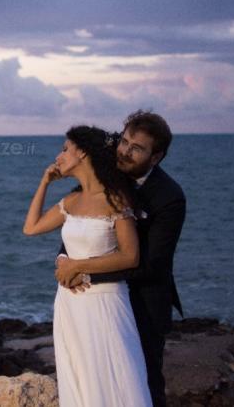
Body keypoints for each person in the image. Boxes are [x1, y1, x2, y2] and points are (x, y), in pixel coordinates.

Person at [57, 110, 185, 407]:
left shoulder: (169, 197)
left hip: (144, 301)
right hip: (95, 302)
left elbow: (152, 263)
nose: (125, 152)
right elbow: (79, 218)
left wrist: (84, 272)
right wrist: (64, 257)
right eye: (124, 141)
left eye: (136, 148)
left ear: (156, 157)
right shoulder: (105, 172)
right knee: (91, 375)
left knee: (142, 383)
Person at [23, 125, 152, 407]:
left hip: (104, 304)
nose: (59, 156)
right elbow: (31, 228)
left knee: (114, 377)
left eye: (65, 148)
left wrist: (77, 265)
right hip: (70, 305)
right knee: (79, 379)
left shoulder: (115, 198)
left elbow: (131, 257)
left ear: (82, 152)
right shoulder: (71, 201)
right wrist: (45, 182)